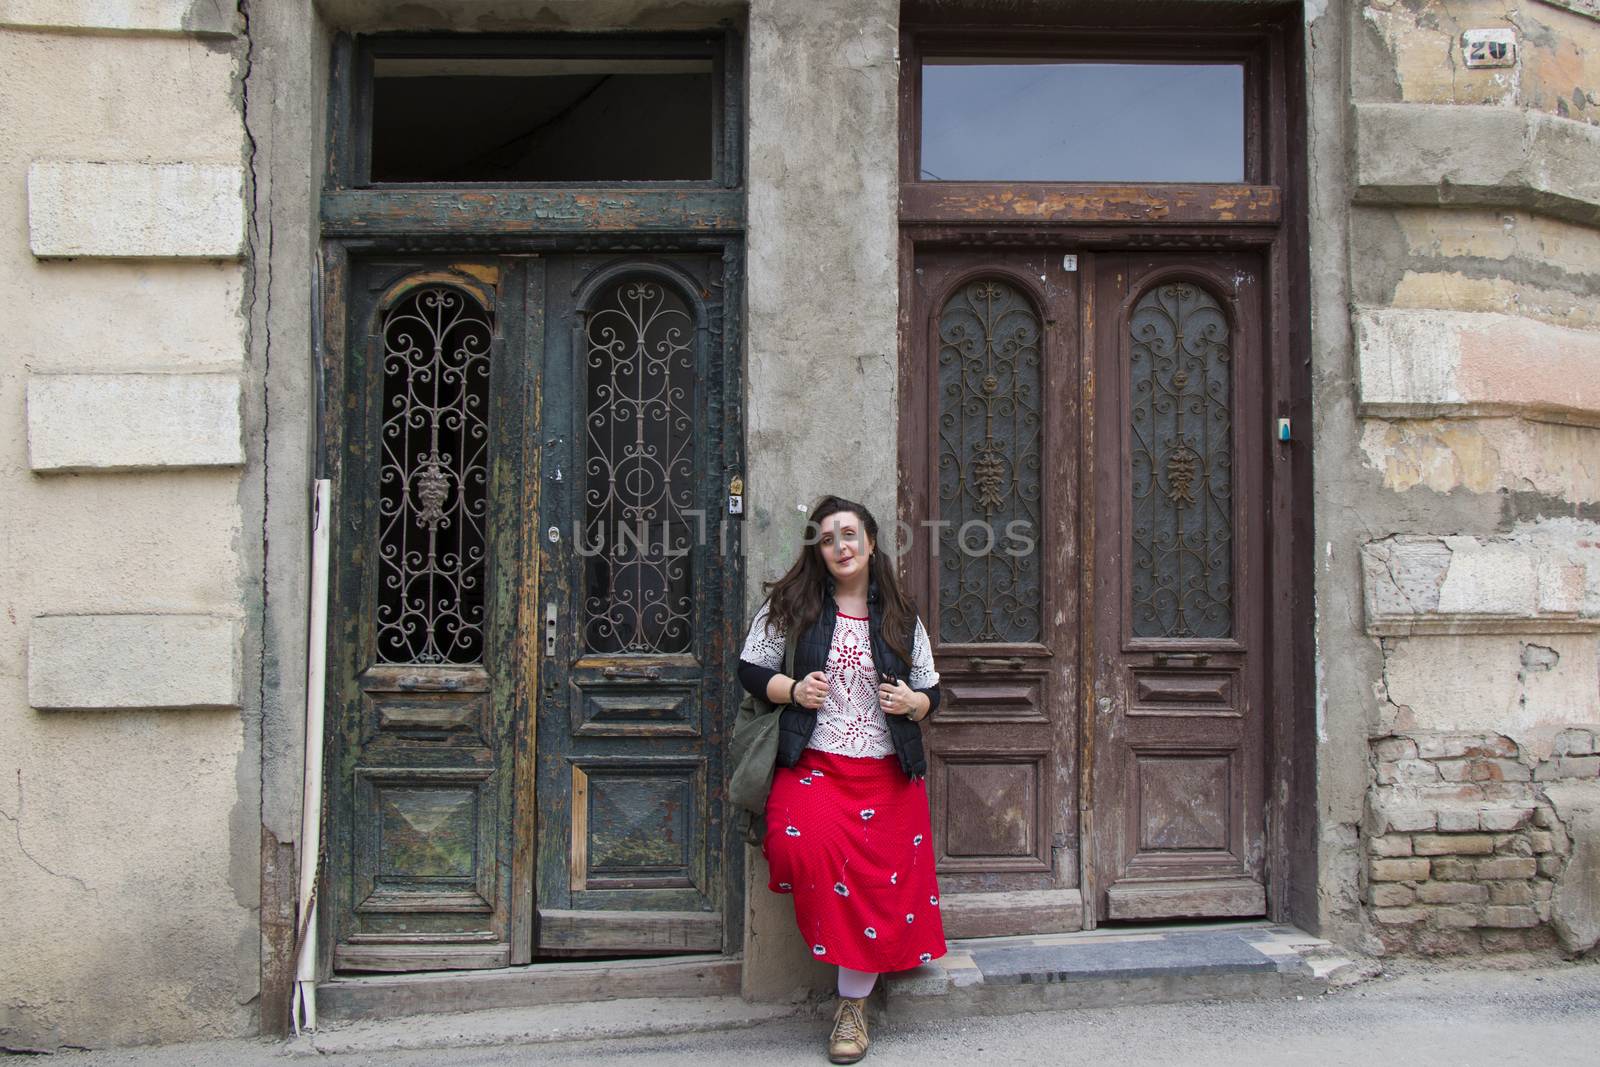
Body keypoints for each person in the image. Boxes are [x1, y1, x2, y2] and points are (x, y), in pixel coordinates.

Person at [737, 494, 946, 1064]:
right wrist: (792, 690)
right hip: (815, 764)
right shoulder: (792, 606)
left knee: (877, 889)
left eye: (849, 535)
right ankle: (851, 966)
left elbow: (932, 689)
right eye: (828, 539)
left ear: (872, 542)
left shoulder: (902, 616)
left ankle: (851, 1007)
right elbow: (749, 668)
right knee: (794, 846)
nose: (840, 547)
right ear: (818, 550)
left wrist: (913, 703)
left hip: (887, 771)